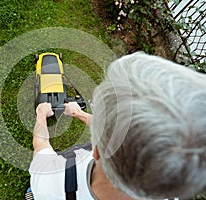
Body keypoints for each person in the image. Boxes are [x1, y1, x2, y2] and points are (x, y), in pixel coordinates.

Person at [29, 52, 206, 200]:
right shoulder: (170, 184)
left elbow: (40, 145)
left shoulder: (49, 181)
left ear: (96, 150)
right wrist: (79, 113)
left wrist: (41, 114)